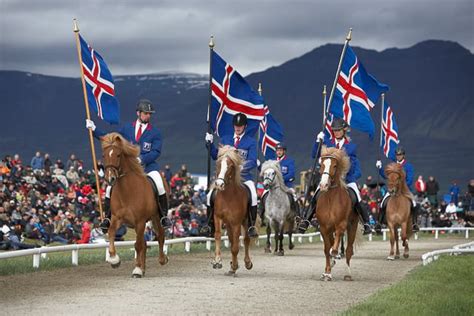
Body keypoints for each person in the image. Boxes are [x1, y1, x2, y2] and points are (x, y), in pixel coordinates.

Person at [86, 99, 172, 231]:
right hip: (129, 169)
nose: (148, 116)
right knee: (110, 188)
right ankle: (107, 218)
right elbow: (111, 138)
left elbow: (156, 152)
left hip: (148, 167)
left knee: (160, 185)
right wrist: (94, 129)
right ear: (138, 113)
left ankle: (163, 217)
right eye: (145, 113)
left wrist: (142, 159)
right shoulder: (127, 129)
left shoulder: (155, 132)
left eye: (149, 113)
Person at [299, 118, 373, 235]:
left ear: (344, 131)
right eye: (334, 130)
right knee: (316, 196)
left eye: (339, 130)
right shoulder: (327, 143)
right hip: (329, 178)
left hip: (346, 179)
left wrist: (348, 175)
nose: (336, 132)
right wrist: (318, 141)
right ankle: (306, 220)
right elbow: (314, 154)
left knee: (357, 197)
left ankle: (367, 223)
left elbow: (354, 165)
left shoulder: (351, 147)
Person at [202, 113, 259, 237]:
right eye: (236, 125)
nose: (238, 128)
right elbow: (215, 156)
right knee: (210, 195)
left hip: (244, 177)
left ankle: (251, 226)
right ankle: (209, 224)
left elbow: (253, 160)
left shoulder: (251, 142)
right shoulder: (225, 140)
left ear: (245, 126)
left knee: (254, 196)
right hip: (226, 177)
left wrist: (242, 167)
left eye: (240, 126)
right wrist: (209, 144)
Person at [376, 146, 419, 232]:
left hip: (405, 189)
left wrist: (402, 186)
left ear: (403, 155)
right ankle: (379, 223)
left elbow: (409, 179)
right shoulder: (392, 165)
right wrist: (380, 168)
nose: (398, 156)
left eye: (400, 155)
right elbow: (385, 176)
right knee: (382, 203)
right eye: (397, 155)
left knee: (414, 204)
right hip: (393, 189)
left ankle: (414, 223)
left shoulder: (408, 166)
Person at [259, 142, 298, 221]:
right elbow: (267, 172)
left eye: (280, 150)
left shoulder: (289, 161)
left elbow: (291, 174)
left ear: (284, 151)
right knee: (263, 195)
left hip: (286, 185)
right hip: (272, 186)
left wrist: (280, 179)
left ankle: (298, 216)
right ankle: (261, 216)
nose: (279, 152)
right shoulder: (271, 162)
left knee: (294, 196)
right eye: (277, 150)